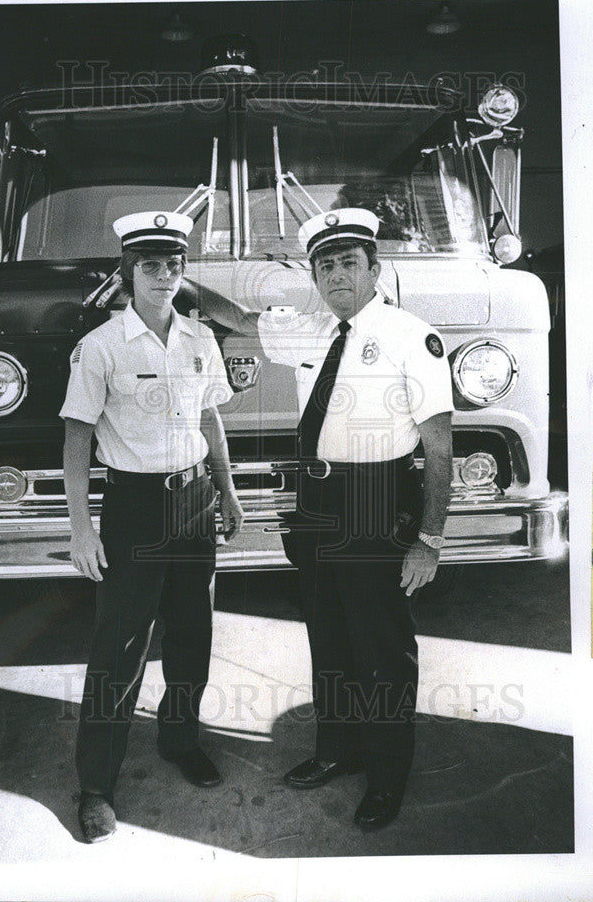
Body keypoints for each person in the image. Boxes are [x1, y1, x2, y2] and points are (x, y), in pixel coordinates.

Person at [182, 207, 452, 831]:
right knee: (329, 636)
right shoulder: (311, 330)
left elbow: (439, 446)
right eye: (324, 264)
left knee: (381, 646)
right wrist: (189, 288)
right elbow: (243, 319)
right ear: (315, 274)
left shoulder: (412, 336)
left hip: (376, 501)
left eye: (347, 262)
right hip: (319, 504)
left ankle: (387, 775)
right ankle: (339, 749)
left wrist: (429, 541)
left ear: (374, 268)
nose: (335, 274)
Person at [60, 209, 244, 843]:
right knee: (122, 644)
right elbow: (77, 438)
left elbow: (210, 421)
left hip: (193, 501)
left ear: (183, 272)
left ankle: (180, 740)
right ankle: (95, 785)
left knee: (193, 632)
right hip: (134, 508)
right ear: (128, 273)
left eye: (173, 264)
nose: (163, 275)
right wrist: (81, 528)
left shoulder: (199, 340)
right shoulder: (102, 346)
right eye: (149, 265)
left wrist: (227, 491)